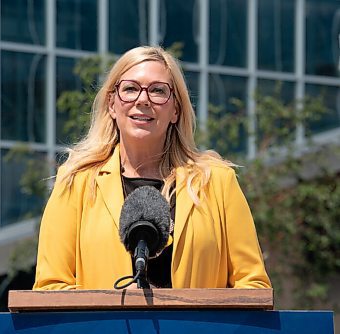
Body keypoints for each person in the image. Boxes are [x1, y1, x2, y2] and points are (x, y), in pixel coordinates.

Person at [33, 46, 271, 290]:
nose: (143, 99)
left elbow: (253, 286)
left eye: (158, 91)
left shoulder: (217, 182)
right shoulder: (76, 182)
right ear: (112, 104)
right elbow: (50, 287)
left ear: (175, 110)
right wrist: (114, 306)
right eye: (130, 89)